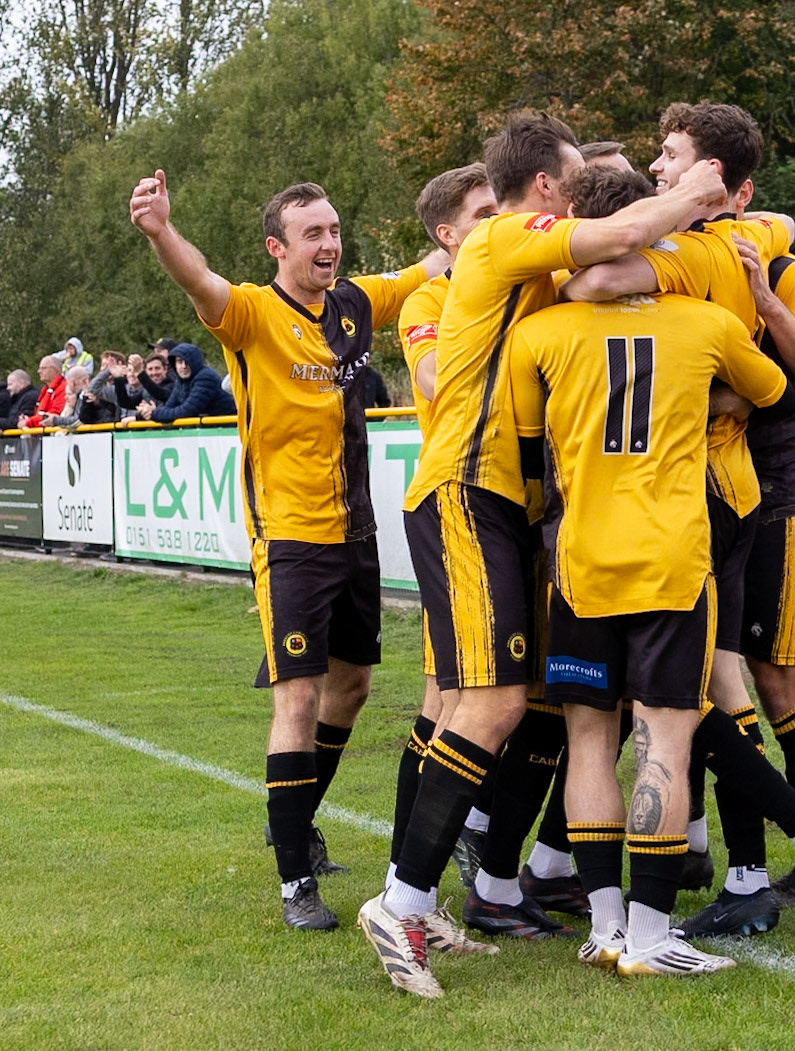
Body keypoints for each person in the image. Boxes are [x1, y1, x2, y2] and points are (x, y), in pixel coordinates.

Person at [358, 109, 728, 999]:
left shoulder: (536, 262)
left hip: (502, 502)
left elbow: (614, 268)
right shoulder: (500, 239)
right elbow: (630, 228)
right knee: (485, 702)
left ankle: (433, 898)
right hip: (465, 489)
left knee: (486, 703)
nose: (572, 187)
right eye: (568, 173)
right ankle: (400, 899)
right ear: (544, 188)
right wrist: (693, 191)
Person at [511, 159, 795, 977]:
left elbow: (529, 435)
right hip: (673, 557)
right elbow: (769, 393)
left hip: (581, 557)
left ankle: (605, 927)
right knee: (665, 735)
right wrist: (698, 399)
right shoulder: (703, 324)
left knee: (590, 739)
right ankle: (657, 938)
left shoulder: (542, 330)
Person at [129, 169, 447, 932]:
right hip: (292, 538)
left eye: (335, 230)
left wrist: (497, 222)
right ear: (278, 247)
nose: (330, 244)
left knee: (353, 687)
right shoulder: (249, 313)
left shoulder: (357, 303)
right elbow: (199, 280)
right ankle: (293, 881)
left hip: (358, 532)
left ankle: (295, 821)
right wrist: (160, 230)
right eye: (314, 234)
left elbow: (433, 267)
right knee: (297, 698)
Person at [391, 161, 577, 938]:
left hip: (524, 512)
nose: (497, 223)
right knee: (452, 703)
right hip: (461, 503)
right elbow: (436, 378)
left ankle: (489, 882)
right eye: (480, 214)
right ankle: (407, 886)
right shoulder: (434, 299)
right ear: (449, 234)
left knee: (534, 703)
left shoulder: (531, 277)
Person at [140, 343, 236, 422]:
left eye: (187, 362)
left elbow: (187, 411)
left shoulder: (205, 377)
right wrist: (147, 414)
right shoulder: (180, 380)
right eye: (179, 362)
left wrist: (154, 414)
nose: (183, 366)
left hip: (228, 429)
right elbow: (169, 406)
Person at [23, 356, 67, 428]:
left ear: (54, 370)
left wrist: (28, 422)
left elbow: (54, 414)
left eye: (43, 368)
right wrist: (27, 419)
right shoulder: (45, 390)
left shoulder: (64, 387)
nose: (39, 371)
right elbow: (39, 413)